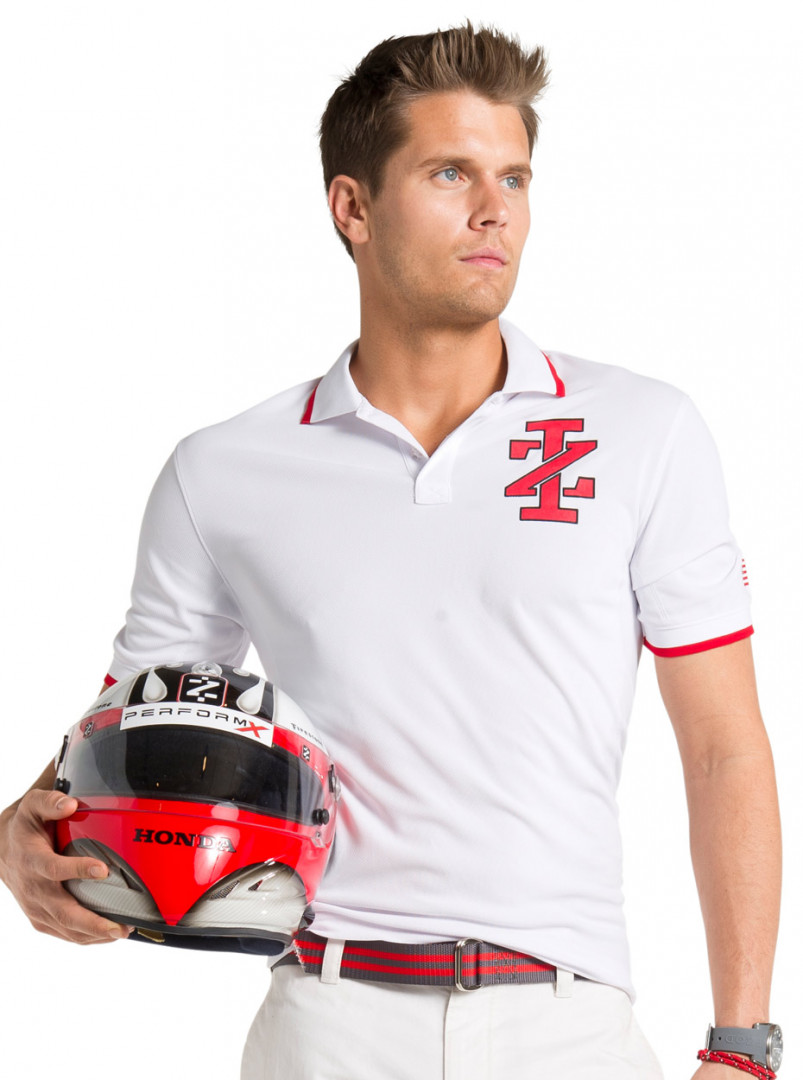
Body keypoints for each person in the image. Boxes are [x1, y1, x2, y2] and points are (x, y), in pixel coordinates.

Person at [0, 22, 782, 1080]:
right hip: (327, 1018)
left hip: (569, 1020)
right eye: (450, 172)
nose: (494, 208)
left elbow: (723, 748)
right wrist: (19, 831)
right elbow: (133, 717)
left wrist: (741, 1042)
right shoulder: (223, 469)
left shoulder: (644, 431)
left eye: (513, 176)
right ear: (352, 208)